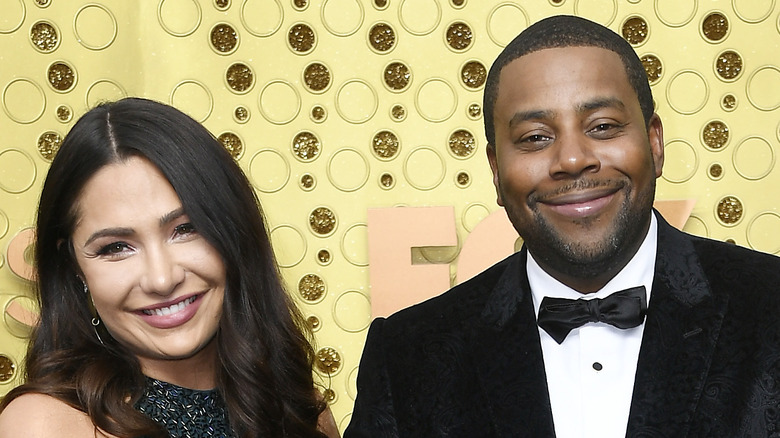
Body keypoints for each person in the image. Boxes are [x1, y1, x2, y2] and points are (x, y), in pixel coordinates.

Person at [345, 15, 780, 438]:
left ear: (654, 143)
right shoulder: (407, 358)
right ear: (496, 171)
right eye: (535, 137)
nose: (572, 160)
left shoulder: (770, 306)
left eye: (603, 126)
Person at [0, 98, 340, 438]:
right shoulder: (46, 424)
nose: (162, 279)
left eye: (186, 229)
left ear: (234, 233)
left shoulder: (302, 410)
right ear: (73, 267)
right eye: (116, 248)